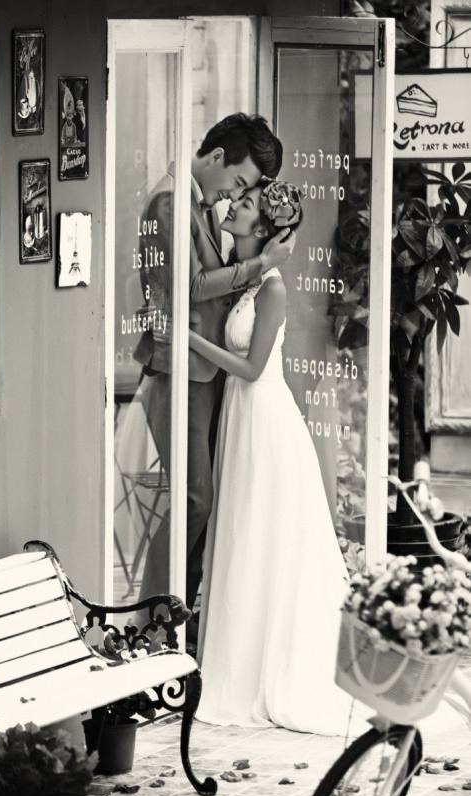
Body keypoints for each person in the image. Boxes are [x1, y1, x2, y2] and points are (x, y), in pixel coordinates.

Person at [191, 180, 368, 736]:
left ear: (263, 229)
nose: (234, 205)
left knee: (259, 532)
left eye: (245, 205)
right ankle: (236, 660)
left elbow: (251, 368)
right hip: (242, 417)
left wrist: (190, 341)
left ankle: (265, 668)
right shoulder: (246, 277)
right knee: (243, 532)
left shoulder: (272, 289)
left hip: (265, 418)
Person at [133, 114, 295, 633]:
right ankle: (151, 621)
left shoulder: (199, 205)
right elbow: (187, 287)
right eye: (239, 181)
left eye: (245, 192)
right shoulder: (169, 203)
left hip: (208, 374)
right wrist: (258, 265)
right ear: (219, 157)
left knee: (204, 504)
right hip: (182, 370)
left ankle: (179, 618)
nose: (235, 195)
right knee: (193, 501)